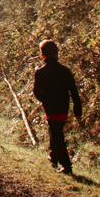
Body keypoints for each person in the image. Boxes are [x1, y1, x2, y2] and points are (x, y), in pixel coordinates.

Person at [32, 39, 82, 175]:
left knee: (56, 133)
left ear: (42, 55)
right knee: (55, 131)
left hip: (50, 107)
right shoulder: (65, 71)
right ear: (57, 53)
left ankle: (67, 166)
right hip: (63, 107)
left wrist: (44, 100)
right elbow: (74, 91)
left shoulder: (40, 72)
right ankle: (53, 158)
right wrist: (78, 110)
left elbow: (36, 91)